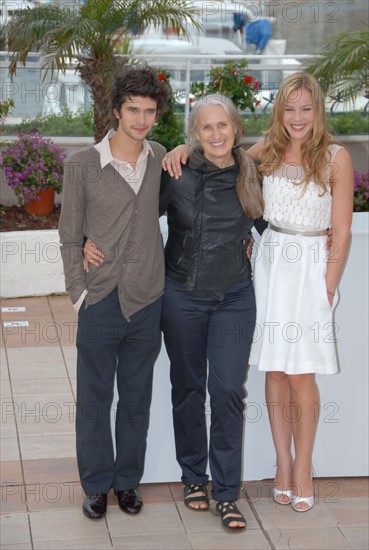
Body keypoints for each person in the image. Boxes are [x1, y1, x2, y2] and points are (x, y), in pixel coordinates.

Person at [85, 93, 266, 530]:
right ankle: (192, 478)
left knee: (227, 392)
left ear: (236, 129)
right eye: (206, 127)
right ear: (194, 134)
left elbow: (274, 222)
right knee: (187, 388)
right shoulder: (176, 171)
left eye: (223, 125)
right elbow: (134, 214)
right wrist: (89, 241)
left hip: (235, 298)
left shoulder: (253, 172)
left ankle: (227, 493)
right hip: (181, 295)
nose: (216, 134)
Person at [58, 64, 170, 520]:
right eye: (132, 109)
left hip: (147, 299)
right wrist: (78, 293)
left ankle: (127, 483)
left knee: (137, 398)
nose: (140, 119)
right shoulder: (82, 165)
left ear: (157, 114)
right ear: (116, 110)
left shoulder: (163, 158)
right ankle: (95, 485)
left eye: (149, 111)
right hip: (100, 299)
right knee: (94, 399)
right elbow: (69, 235)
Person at [247, 72, 353, 512]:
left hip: (311, 272)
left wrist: (327, 288)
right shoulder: (264, 151)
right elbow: (217, 160)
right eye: (290, 109)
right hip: (270, 267)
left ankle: (305, 466)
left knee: (300, 375)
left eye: (306, 108)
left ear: (318, 111)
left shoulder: (335, 156)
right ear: (279, 111)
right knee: (273, 371)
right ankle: (282, 465)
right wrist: (180, 149)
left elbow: (342, 232)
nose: (297, 117)